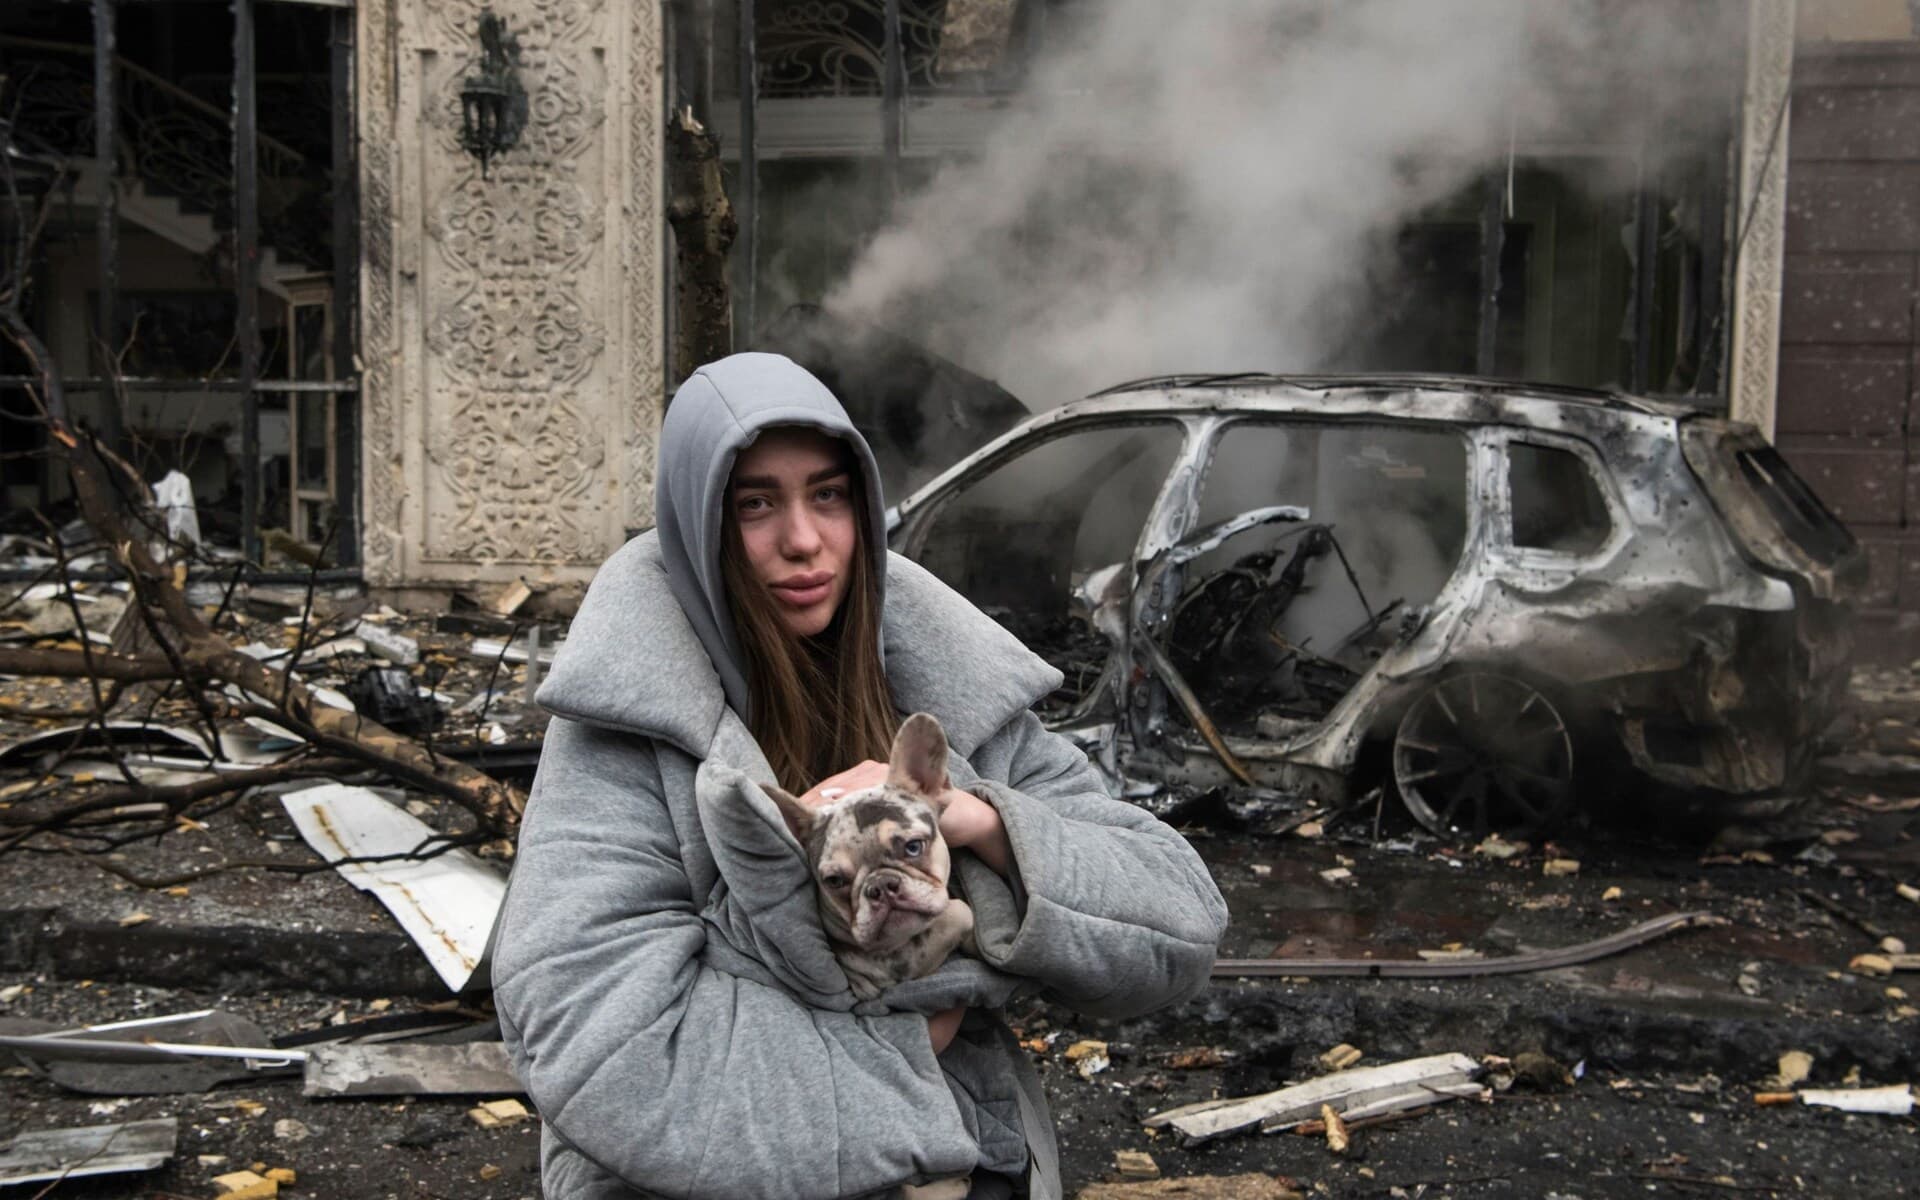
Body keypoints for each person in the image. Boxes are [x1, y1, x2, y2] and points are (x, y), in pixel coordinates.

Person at [494, 352, 1229, 1200]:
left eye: (829, 494)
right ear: (697, 521)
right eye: (755, 503)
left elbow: (1178, 924)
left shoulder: (948, 688)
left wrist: (973, 821)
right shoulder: (627, 724)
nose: (803, 539)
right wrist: (922, 1036)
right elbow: (606, 1048)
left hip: (967, 1156)